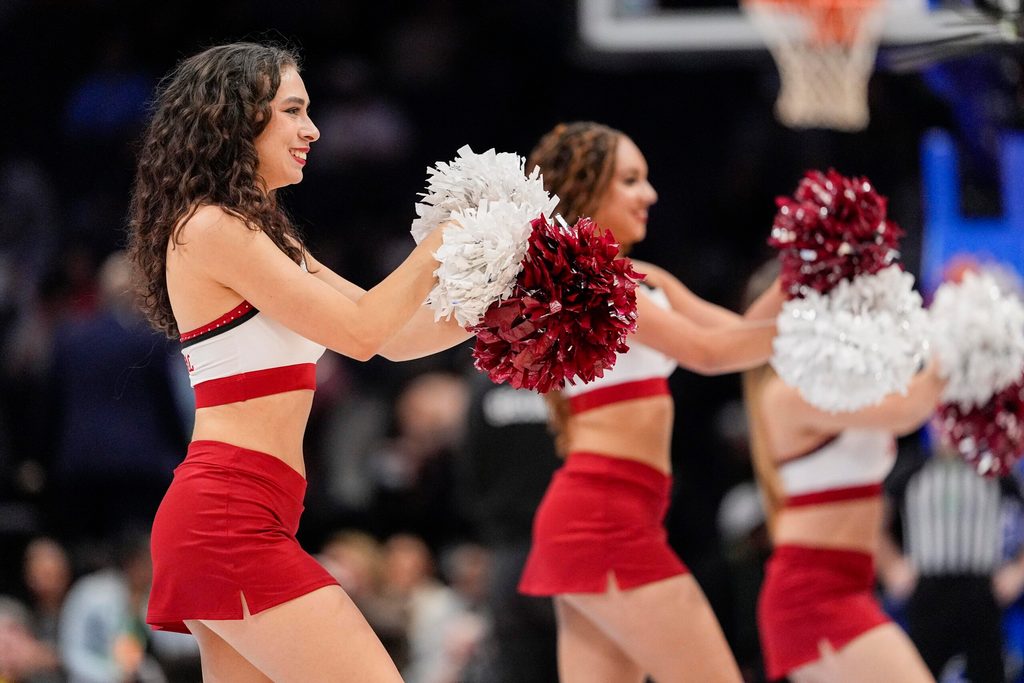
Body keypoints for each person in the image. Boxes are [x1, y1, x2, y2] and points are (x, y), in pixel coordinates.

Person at [126, 42, 469, 681]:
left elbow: (391, 336)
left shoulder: (266, 234)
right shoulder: (209, 228)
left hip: (243, 515)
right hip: (229, 519)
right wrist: (452, 233)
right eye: (294, 110)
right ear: (236, 121)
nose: (313, 129)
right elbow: (364, 332)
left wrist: (496, 311)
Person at [516, 121, 785, 683]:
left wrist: (800, 275)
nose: (650, 194)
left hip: (610, 520)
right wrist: (816, 305)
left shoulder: (645, 279)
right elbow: (712, 354)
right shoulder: (592, 282)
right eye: (631, 180)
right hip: (604, 522)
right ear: (587, 191)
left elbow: (738, 336)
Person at [742, 264, 947, 683]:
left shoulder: (836, 383)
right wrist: (962, 341)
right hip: (813, 597)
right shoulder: (785, 394)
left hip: (852, 587)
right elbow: (910, 409)